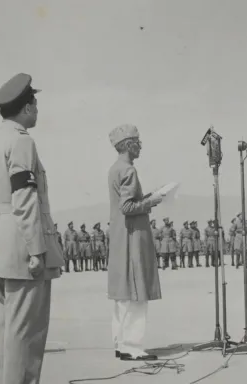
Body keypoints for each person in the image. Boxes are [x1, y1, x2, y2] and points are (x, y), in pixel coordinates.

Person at [0, 72, 65, 383]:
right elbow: (25, 198)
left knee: (9, 330)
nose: (38, 111)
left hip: (2, 242)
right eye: (36, 105)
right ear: (26, 108)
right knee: (28, 333)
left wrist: (0, 240)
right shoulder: (21, 142)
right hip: (24, 243)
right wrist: (36, 250)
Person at [106, 123, 165, 361]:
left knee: (123, 295)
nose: (140, 146)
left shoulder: (115, 168)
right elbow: (128, 206)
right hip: (132, 235)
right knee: (137, 293)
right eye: (137, 142)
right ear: (129, 145)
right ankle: (132, 345)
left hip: (121, 235)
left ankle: (121, 343)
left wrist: (147, 197)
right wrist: (152, 202)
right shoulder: (129, 170)